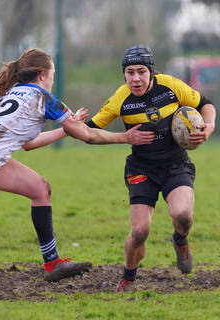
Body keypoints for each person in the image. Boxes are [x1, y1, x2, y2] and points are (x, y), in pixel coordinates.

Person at [0, 48, 155, 283]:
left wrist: (68, 129)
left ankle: (52, 264)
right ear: (43, 74)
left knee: (40, 188)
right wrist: (125, 138)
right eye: (52, 74)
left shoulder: (18, 92)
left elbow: (30, 144)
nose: (53, 80)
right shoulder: (44, 97)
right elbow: (87, 135)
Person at [85, 45, 216, 292]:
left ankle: (180, 239)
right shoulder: (120, 98)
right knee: (140, 231)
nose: (135, 78)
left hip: (175, 165)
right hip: (141, 169)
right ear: (124, 74)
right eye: (130, 72)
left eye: (141, 71)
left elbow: (206, 104)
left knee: (183, 215)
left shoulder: (170, 86)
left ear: (151, 72)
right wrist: (123, 138)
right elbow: (89, 132)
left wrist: (208, 127)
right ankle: (127, 278)